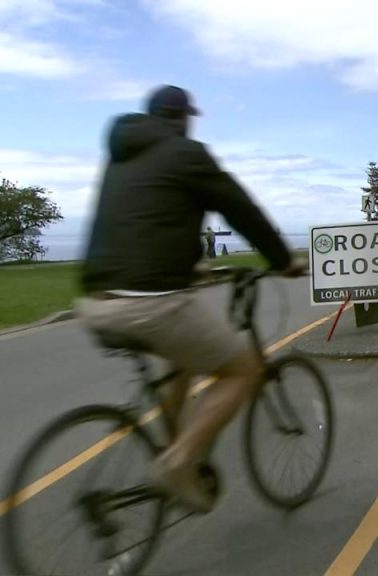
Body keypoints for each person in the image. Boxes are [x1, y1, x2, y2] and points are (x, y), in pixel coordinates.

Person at [77, 85, 306, 512]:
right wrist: (281, 260)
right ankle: (177, 463)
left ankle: (171, 445)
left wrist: (190, 267)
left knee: (180, 360)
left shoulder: (121, 156)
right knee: (243, 371)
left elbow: (148, 225)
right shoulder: (187, 154)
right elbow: (241, 210)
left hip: (96, 302)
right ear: (183, 118)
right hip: (150, 304)